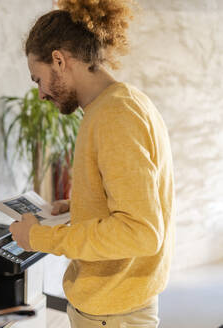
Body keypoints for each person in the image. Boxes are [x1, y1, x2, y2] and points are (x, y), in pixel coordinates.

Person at [9, 1, 174, 327]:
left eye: (37, 79)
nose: (40, 94)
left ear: (59, 60)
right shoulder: (120, 104)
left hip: (113, 312)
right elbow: (136, 196)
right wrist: (81, 205)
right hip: (115, 304)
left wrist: (39, 238)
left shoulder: (115, 115)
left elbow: (140, 232)